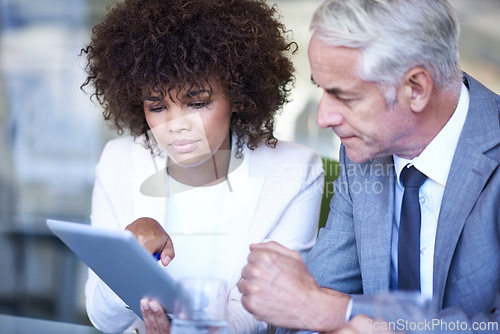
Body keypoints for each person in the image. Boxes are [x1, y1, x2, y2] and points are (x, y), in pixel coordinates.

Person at [238, 0, 500, 333]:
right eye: (321, 89)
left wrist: (340, 313)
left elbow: (321, 306)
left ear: (415, 89)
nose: (323, 118)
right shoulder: (362, 153)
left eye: (343, 96)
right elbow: (313, 303)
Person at [80, 0, 324, 333]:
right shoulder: (119, 160)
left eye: (197, 102)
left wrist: (187, 329)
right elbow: (104, 318)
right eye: (157, 106)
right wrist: (124, 260)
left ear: (238, 95)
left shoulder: (295, 171)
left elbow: (264, 312)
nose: (177, 125)